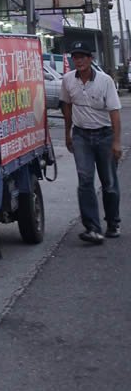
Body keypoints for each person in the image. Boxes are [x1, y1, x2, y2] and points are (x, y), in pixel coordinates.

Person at [60, 41, 122, 244]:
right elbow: (67, 107)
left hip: (104, 135)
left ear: (91, 59)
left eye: (83, 57)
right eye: (75, 57)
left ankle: (113, 222)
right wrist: (68, 134)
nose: (79, 61)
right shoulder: (68, 80)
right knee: (85, 180)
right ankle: (93, 228)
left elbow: (114, 113)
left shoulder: (105, 81)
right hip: (81, 136)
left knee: (109, 183)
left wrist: (116, 142)